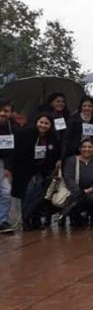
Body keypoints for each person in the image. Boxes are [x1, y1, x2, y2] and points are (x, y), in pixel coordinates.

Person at [15, 114, 61, 230]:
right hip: (27, 171)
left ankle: (36, 220)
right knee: (28, 194)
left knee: (39, 196)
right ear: (36, 122)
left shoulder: (52, 138)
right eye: (41, 122)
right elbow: (20, 153)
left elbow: (54, 154)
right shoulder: (27, 134)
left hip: (43, 171)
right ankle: (26, 220)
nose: (43, 125)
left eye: (46, 123)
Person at [62, 138, 93, 227]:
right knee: (75, 198)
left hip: (92, 191)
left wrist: (90, 189)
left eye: (89, 147)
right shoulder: (71, 160)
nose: (86, 149)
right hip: (74, 191)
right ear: (80, 149)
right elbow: (68, 177)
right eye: (83, 147)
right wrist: (78, 191)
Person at [62, 96, 93, 161]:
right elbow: (67, 139)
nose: (87, 108)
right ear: (81, 107)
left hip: (91, 152)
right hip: (74, 152)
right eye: (84, 106)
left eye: (89, 106)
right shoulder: (73, 120)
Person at [0, 98, 16, 233]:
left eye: (6, 111)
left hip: (3, 163)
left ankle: (2, 220)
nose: (3, 113)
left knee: (6, 192)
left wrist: (8, 167)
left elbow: (11, 149)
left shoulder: (11, 126)